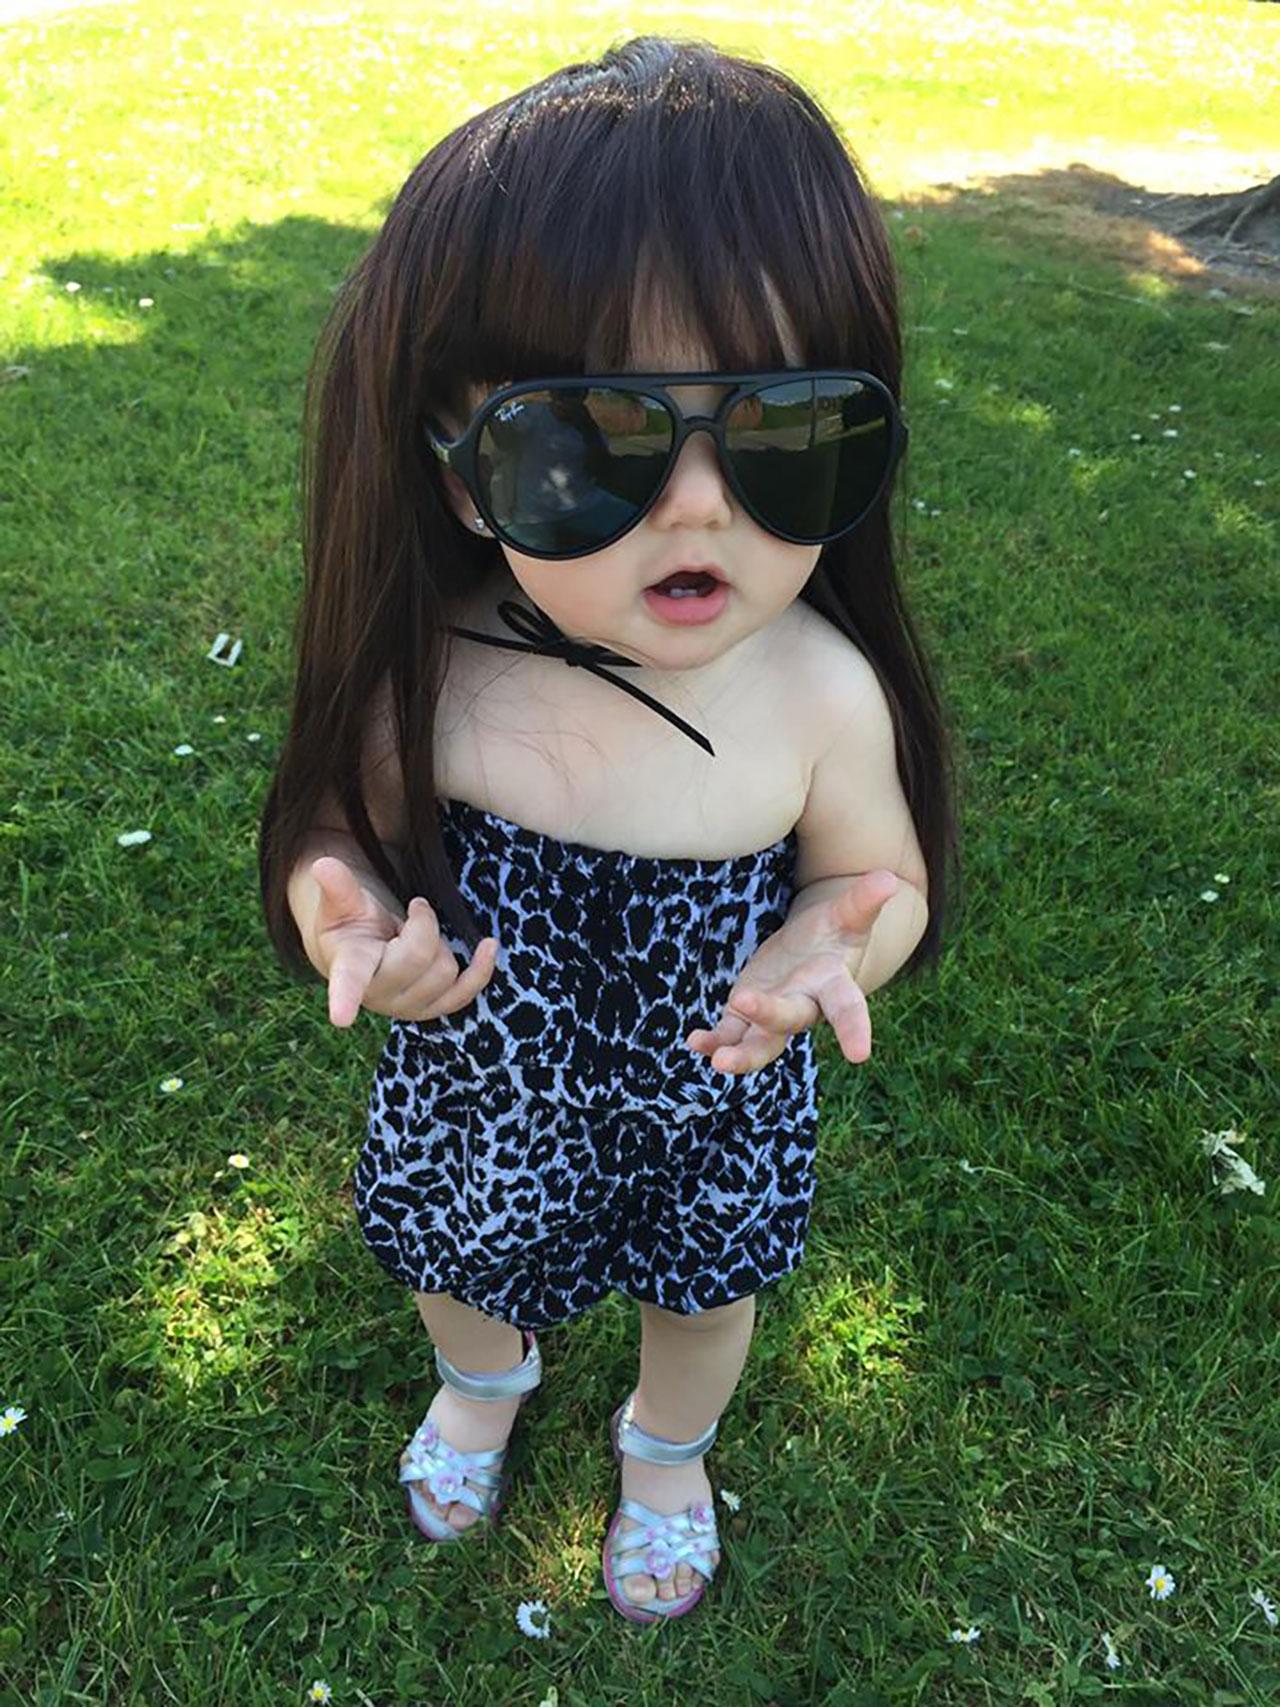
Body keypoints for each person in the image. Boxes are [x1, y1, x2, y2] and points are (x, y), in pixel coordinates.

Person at [257, 33, 962, 1624]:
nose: (699, 502)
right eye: (589, 443)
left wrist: (828, 945)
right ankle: (482, 1384)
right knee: (452, 1253)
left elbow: (876, 875)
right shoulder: (440, 673)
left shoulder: (817, 693)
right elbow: (343, 833)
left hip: (715, 1090)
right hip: (482, 1082)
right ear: (460, 475)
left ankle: (665, 1451)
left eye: (781, 434)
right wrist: (344, 912)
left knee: (705, 1298)